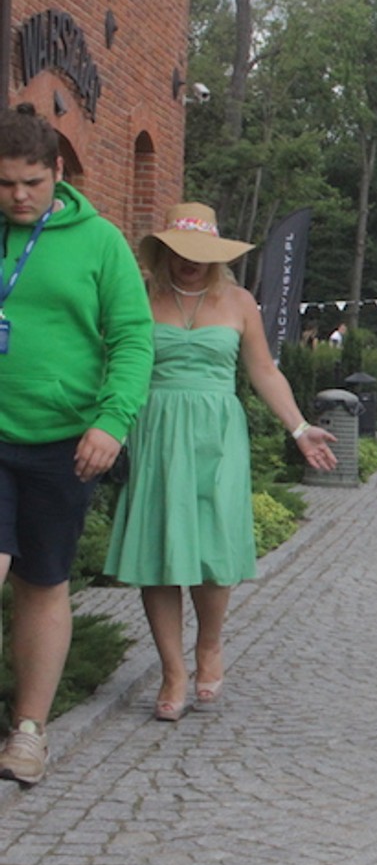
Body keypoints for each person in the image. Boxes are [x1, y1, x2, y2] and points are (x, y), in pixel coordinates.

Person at [101, 201, 337, 722]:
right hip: (155, 429)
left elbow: (265, 373)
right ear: (164, 251)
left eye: (202, 253)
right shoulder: (141, 298)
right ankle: (172, 669)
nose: (191, 261)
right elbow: (115, 363)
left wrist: (299, 428)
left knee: (210, 550)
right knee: (159, 552)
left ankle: (209, 644)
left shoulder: (239, 302)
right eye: (182, 251)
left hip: (215, 433)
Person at [0, 105, 156, 787]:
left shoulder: (100, 243)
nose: (18, 196)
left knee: (43, 580)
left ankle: (28, 732)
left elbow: (131, 339)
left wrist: (111, 421)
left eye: (31, 182)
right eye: (4, 184)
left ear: (57, 172)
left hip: (64, 439)